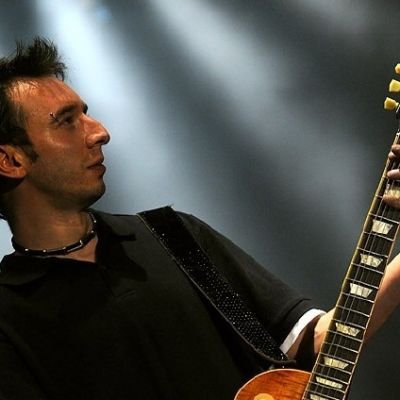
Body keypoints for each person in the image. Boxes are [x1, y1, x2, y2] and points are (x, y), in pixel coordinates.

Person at [0, 37, 400, 400]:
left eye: (86, 114)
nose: (99, 132)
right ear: (10, 160)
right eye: (66, 121)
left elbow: (316, 343)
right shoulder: (10, 315)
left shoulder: (172, 236)